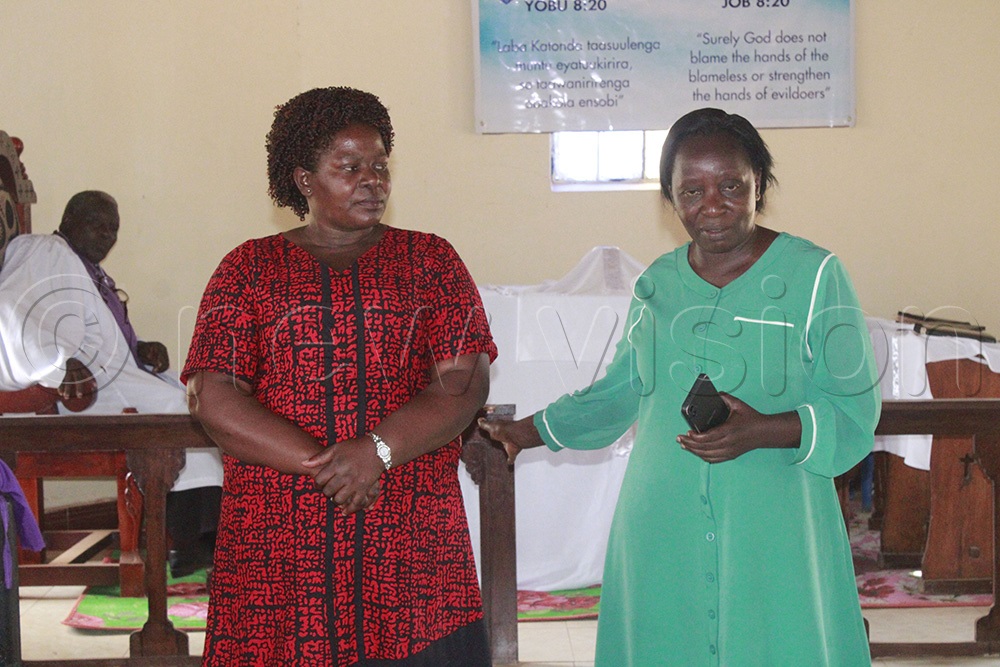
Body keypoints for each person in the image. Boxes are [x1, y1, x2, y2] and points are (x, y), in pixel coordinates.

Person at [481, 108, 881, 666]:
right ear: (670, 199)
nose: (712, 205)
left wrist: (762, 430)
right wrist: (524, 432)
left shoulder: (814, 275)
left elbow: (853, 409)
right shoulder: (658, 284)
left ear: (758, 184)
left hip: (773, 518)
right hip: (662, 517)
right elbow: (619, 392)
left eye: (731, 186)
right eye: (691, 191)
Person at [182, 86, 497, 666]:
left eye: (380, 166)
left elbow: (462, 383)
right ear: (304, 180)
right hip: (280, 539)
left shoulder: (431, 261)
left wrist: (376, 451)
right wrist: (333, 466)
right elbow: (215, 398)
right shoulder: (247, 269)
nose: (372, 181)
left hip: (406, 533)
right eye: (349, 167)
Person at [0, 191, 223, 577]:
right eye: (97, 224)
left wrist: (140, 348)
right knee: (183, 417)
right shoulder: (47, 252)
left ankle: (195, 537)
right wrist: (57, 367)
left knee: (199, 401)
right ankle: (188, 542)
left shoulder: (86, 268)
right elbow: (18, 316)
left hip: (111, 382)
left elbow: (92, 333)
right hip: (79, 395)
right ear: (69, 220)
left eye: (113, 229)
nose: (107, 235)